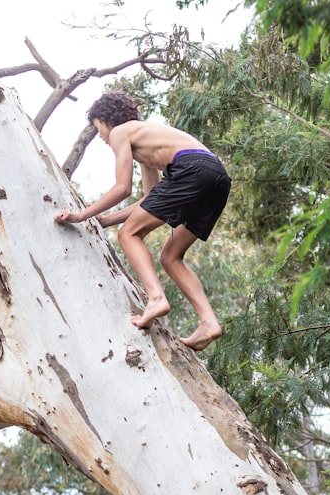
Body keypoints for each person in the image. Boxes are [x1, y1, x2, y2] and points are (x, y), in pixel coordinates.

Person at [55, 91, 232, 351]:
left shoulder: (120, 132)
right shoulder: (145, 142)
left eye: (97, 129)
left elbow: (122, 188)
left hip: (191, 170)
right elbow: (149, 199)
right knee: (171, 256)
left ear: (105, 119)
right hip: (217, 177)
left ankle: (156, 298)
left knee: (128, 235)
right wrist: (106, 220)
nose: (101, 137)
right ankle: (208, 322)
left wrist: (82, 215)